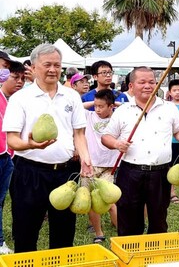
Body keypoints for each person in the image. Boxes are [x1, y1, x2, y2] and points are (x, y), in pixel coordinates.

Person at [3, 43, 92, 252]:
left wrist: (86, 159)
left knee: (64, 233)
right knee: (26, 231)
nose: (53, 69)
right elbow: (12, 141)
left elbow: (79, 133)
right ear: (33, 68)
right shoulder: (20, 98)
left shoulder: (71, 96)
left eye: (57, 65)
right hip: (30, 172)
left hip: (65, 174)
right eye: (47, 65)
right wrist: (29, 144)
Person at [101, 66, 179, 236]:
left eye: (151, 82)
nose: (148, 86)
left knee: (159, 220)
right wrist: (117, 144)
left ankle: (154, 257)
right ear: (131, 86)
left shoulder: (169, 108)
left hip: (161, 173)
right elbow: (106, 137)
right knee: (128, 220)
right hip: (130, 172)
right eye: (142, 82)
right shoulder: (123, 111)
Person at [81, 89, 119, 243]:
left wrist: (113, 103)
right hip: (90, 165)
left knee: (109, 201)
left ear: (111, 107)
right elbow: (79, 106)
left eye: (101, 106)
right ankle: (99, 233)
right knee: (91, 200)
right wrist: (97, 101)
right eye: (96, 106)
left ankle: (121, 231)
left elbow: (130, 108)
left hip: (110, 166)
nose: (97, 109)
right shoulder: (89, 116)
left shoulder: (117, 117)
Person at [0, 61, 25, 254]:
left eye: (22, 78)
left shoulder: (11, 100)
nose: (19, 81)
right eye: (15, 77)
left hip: (6, 156)